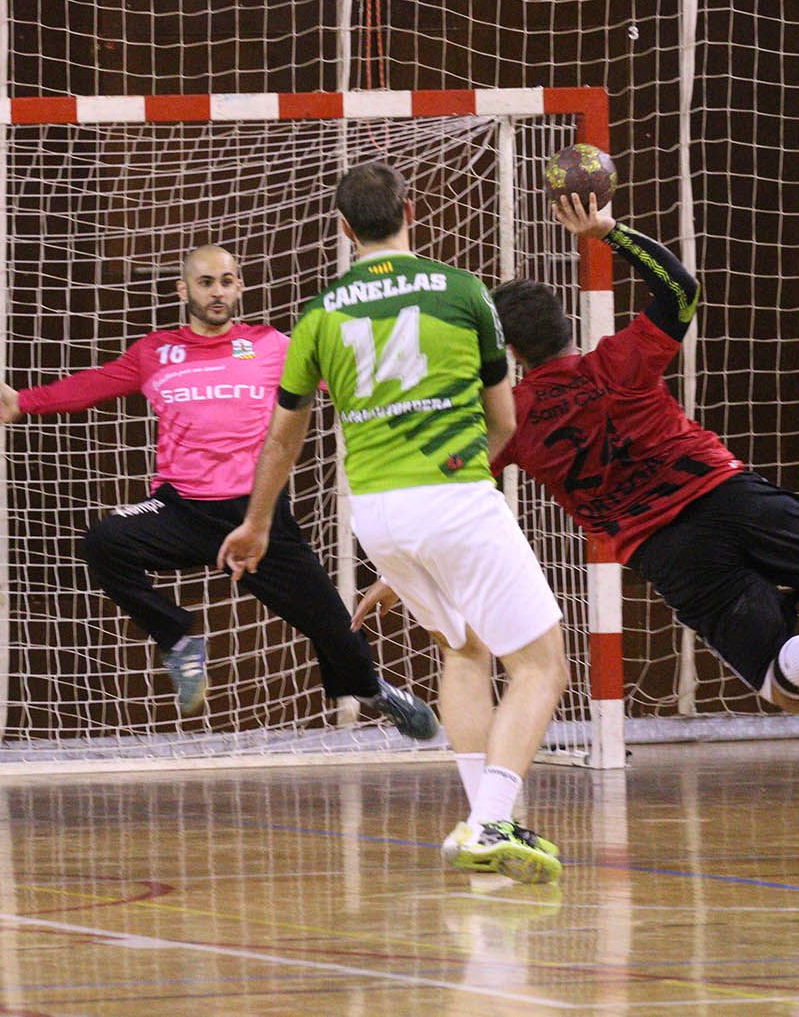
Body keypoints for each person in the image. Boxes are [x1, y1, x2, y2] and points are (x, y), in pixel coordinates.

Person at [358, 192, 799, 715]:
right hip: (727, 493)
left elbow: (456, 496)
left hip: (667, 551)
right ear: (565, 324)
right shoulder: (620, 358)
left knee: (783, 687)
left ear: (509, 353)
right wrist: (608, 234)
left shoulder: (508, 418)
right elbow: (681, 288)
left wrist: (403, 573)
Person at [218, 162, 571, 884]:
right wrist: (459, 495)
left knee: (464, 650)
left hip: (376, 513)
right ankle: (495, 820)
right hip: (455, 494)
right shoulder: (465, 291)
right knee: (540, 663)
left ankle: (479, 821)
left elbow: (283, 439)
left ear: (344, 230)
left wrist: (256, 524)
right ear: (412, 212)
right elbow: (503, 419)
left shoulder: (318, 316)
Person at [0, 245, 437, 740]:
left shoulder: (272, 345)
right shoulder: (154, 353)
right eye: (206, 282)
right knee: (105, 540)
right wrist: (24, 402)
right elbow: (94, 385)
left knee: (332, 626)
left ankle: (371, 690)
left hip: (256, 518)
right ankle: (178, 640)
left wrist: (407, 397)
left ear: (239, 287)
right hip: (184, 510)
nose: (217, 292)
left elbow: (344, 383)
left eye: (227, 281)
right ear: (184, 290)